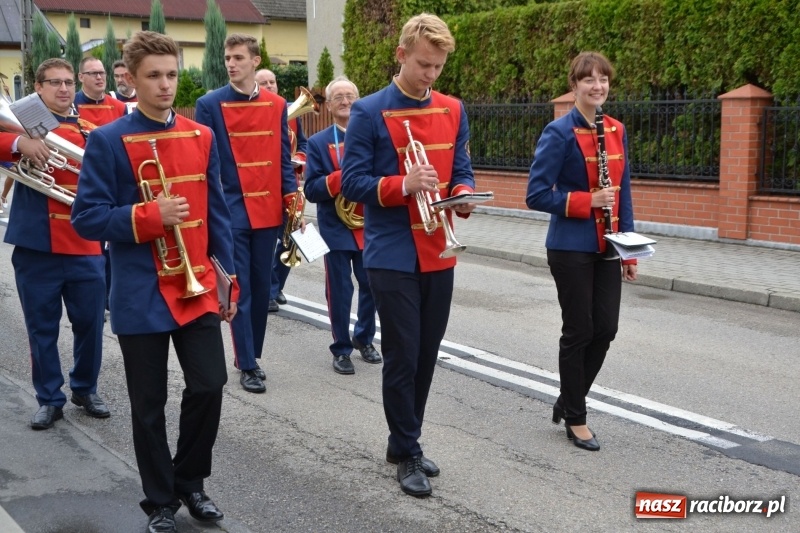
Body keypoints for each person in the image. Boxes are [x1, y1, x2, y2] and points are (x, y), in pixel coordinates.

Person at [71, 31, 239, 533]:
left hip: (198, 284)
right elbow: (86, 218)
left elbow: (219, 215)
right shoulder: (106, 140)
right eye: (154, 76)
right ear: (131, 79)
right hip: (141, 289)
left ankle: (190, 482)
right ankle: (160, 501)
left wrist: (228, 280)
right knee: (149, 404)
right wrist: (148, 216)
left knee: (211, 385)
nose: (165, 85)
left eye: (171, 75)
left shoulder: (200, 136)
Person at [341, 13, 477, 497]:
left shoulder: (453, 109)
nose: (431, 75)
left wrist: (462, 193)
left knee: (426, 354)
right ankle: (408, 448)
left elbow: (462, 168)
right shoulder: (368, 111)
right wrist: (402, 184)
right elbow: (350, 183)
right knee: (403, 354)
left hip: (439, 247)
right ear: (401, 55)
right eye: (423, 64)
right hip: (391, 251)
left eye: (439, 67)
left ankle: (404, 441)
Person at [525, 51, 637, 452]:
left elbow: (622, 192)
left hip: (609, 244)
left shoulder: (617, 130)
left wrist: (630, 248)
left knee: (606, 329)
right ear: (574, 86)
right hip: (570, 246)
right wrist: (586, 200)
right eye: (589, 80)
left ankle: (568, 397)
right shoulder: (558, 133)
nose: (598, 86)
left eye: (603, 79)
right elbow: (536, 195)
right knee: (580, 330)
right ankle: (576, 415)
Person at [0, 58, 108, 430]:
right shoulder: (20, 122)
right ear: (38, 87)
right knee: (41, 327)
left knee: (91, 324)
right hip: (37, 246)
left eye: (67, 82)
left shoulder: (92, 128)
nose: (63, 89)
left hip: (85, 243)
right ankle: (49, 397)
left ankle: (85, 387)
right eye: (54, 83)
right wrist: (19, 143)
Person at [195, 35, 298, 393]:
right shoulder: (209, 103)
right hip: (231, 210)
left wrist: (291, 196)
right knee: (240, 288)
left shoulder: (277, 103)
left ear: (255, 61)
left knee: (262, 285)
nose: (231, 63)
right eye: (227, 58)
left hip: (268, 209)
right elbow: (208, 162)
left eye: (238, 57)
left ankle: (251, 353)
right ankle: (248, 363)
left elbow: (283, 158)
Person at [304, 76, 381, 375]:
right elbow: (311, 189)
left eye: (350, 95)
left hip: (369, 225)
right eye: (339, 97)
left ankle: (364, 338)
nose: (346, 101)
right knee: (339, 290)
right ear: (330, 105)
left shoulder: (372, 136)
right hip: (336, 228)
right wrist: (340, 178)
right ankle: (341, 349)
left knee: (372, 286)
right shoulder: (319, 142)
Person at [255, 68, 307, 312]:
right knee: (265, 244)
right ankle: (266, 292)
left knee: (291, 238)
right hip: (264, 188)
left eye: (272, 82)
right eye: (263, 83)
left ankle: (275, 287)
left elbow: (303, 142)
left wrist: (297, 157)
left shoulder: (290, 111)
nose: (270, 86)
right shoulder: (254, 112)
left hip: (289, 185)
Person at [74, 57, 127, 126]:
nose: (99, 77)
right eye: (93, 73)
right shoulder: (71, 105)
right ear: (81, 77)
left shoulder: (120, 108)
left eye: (102, 73)